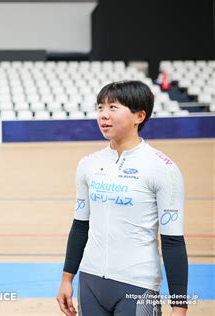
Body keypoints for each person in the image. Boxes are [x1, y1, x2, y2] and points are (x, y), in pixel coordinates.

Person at [56, 80, 188, 316]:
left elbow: (173, 242)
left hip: (138, 285)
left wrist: (179, 305)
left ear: (139, 116)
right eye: (100, 108)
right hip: (90, 282)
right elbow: (79, 226)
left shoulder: (163, 168)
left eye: (113, 107)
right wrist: (67, 279)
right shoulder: (88, 164)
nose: (103, 115)